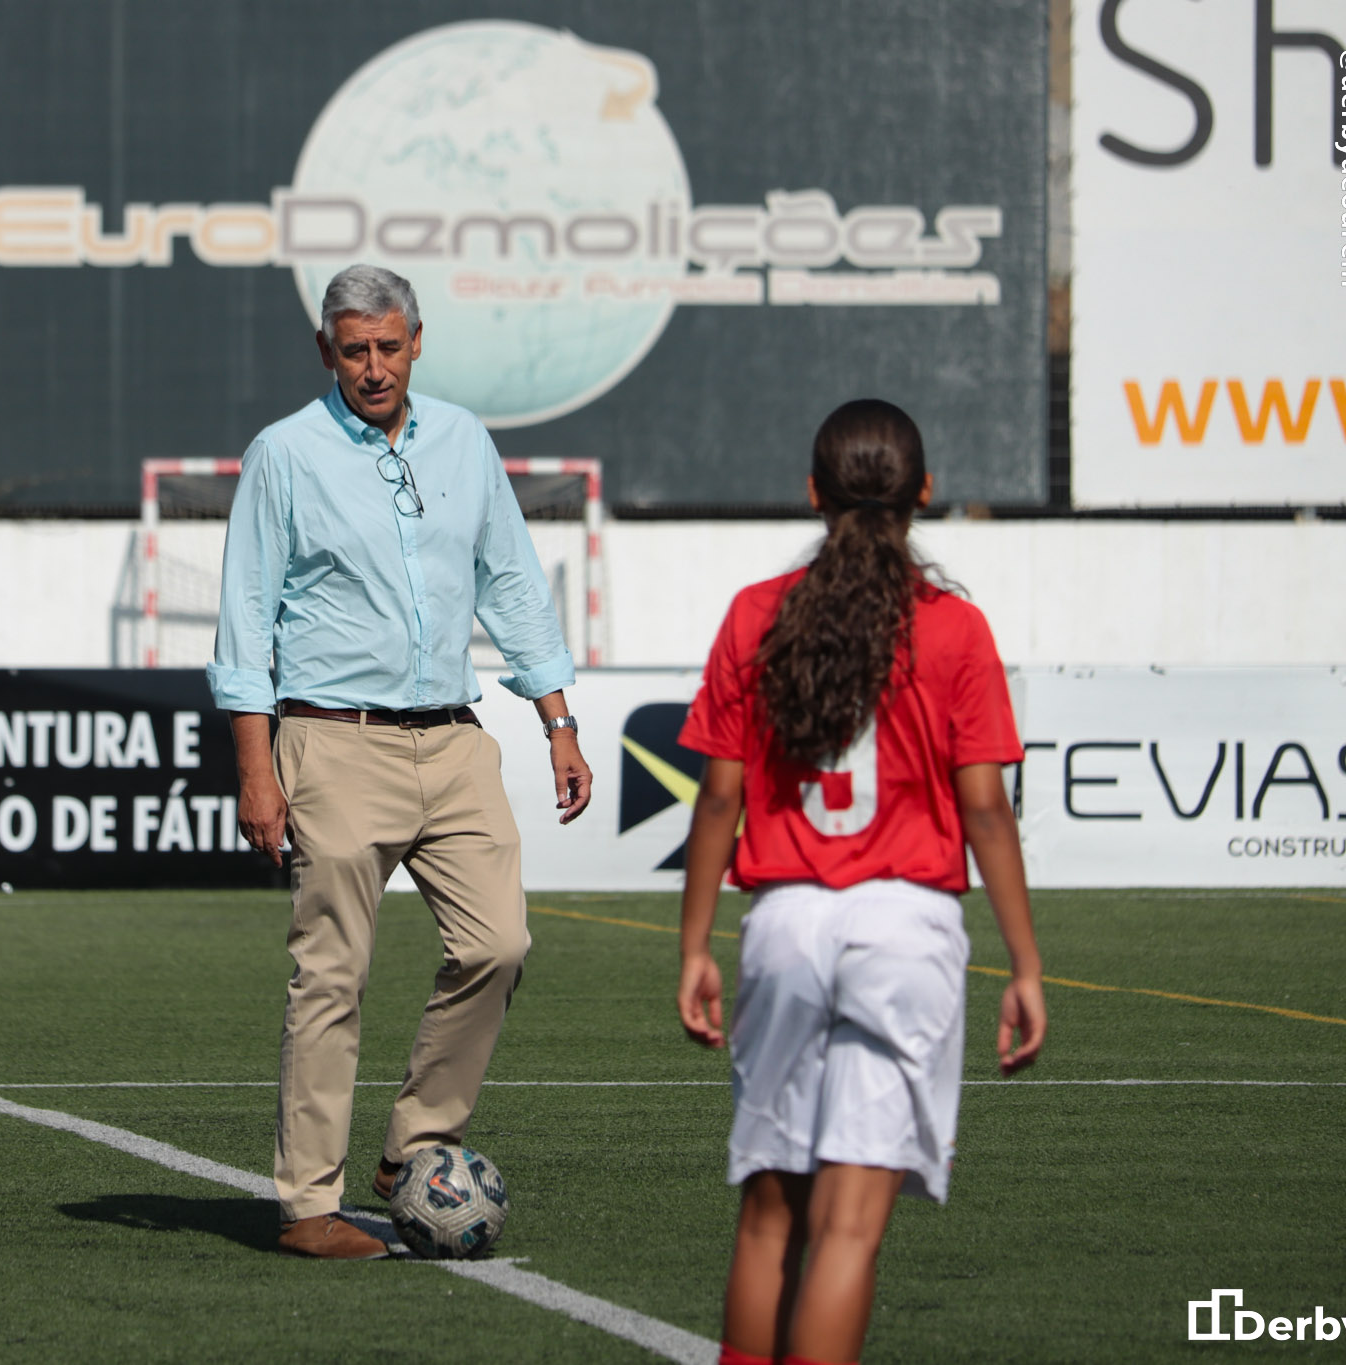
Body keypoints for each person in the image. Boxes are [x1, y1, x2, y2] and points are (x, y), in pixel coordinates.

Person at [209, 263, 594, 1260]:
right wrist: (257, 770)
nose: (372, 367)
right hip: (329, 741)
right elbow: (244, 622)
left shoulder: (464, 441)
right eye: (353, 350)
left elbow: (509, 580)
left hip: (455, 736)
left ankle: (415, 1146)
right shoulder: (282, 455)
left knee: (498, 942)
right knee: (329, 976)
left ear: (416, 343)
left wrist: (555, 717)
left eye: (388, 346)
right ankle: (305, 1207)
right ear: (325, 352)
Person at [671, 399, 1047, 1363]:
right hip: (905, 929)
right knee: (846, 1230)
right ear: (925, 493)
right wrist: (1027, 964)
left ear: (813, 493)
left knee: (767, 1224)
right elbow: (987, 808)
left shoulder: (758, 613)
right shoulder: (954, 626)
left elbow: (718, 800)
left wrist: (694, 946)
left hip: (786, 920)